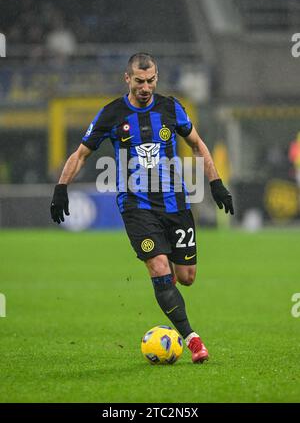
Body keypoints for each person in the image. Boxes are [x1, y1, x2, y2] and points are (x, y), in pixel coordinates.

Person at [50, 53, 234, 363]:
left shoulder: (170, 107)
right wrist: (61, 188)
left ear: (156, 79)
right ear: (127, 79)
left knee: (186, 277)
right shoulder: (111, 114)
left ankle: (168, 289)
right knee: (159, 268)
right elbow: (81, 154)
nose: (145, 87)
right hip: (136, 205)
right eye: (139, 81)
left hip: (175, 201)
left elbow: (197, 143)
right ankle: (193, 340)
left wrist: (215, 183)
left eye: (150, 81)